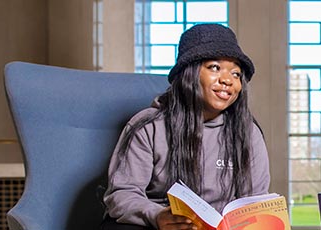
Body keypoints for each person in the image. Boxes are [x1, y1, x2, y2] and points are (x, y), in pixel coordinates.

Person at [101, 24, 270, 230]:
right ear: (188, 73)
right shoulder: (147, 126)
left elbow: (254, 202)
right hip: (160, 224)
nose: (227, 80)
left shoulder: (248, 132)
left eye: (236, 74)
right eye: (214, 67)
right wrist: (157, 216)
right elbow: (122, 194)